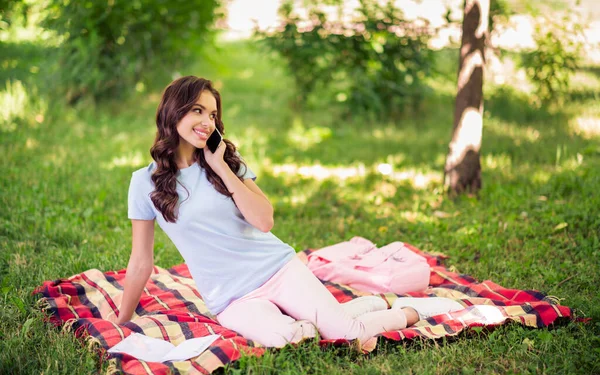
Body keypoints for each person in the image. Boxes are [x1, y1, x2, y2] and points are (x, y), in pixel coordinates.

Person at [117, 76, 464, 348]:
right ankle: (358, 308)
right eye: (197, 110)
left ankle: (409, 311)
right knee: (295, 338)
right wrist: (122, 321)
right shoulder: (143, 183)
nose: (207, 121)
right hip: (231, 299)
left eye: (212, 114)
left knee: (351, 335)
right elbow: (140, 262)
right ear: (172, 111)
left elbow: (264, 221)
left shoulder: (225, 164)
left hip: (277, 270)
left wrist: (221, 168)